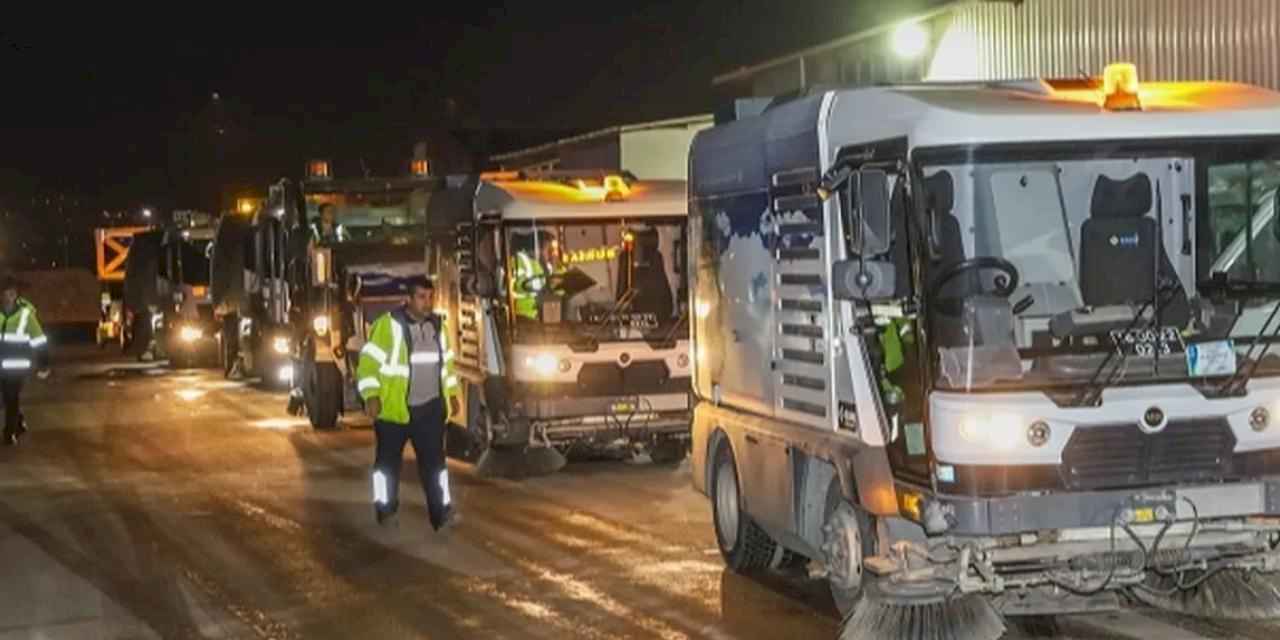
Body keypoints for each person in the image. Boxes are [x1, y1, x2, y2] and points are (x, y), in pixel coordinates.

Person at [357, 276, 462, 531]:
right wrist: (371, 395)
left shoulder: (438, 327)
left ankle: (441, 514)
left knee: (436, 467)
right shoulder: (388, 326)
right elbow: (368, 364)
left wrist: (452, 394)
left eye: (430, 297)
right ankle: (385, 511)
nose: (428, 303)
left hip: (430, 410)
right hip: (394, 412)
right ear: (409, 299)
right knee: (387, 468)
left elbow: (446, 366)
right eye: (422, 297)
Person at [0, 276, 50, 446]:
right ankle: (19, 420)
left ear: (16, 295)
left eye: (11, 294)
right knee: (7, 399)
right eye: (4, 294)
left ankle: (9, 433)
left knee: (11, 397)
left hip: (17, 367)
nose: (7, 298)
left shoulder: (25, 315)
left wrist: (43, 364)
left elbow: (39, 339)